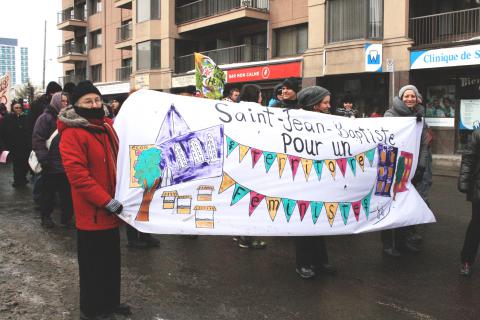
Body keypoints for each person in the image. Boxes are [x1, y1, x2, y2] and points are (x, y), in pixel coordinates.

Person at [58, 81, 131, 319]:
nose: (95, 104)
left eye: (97, 100)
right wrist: (106, 201)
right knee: (92, 267)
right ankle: (91, 310)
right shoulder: (72, 134)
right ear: (77, 106)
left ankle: (110, 303)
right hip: (93, 214)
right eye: (88, 101)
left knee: (111, 262)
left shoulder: (108, 127)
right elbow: (79, 177)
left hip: (112, 211)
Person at [293, 86, 337, 279]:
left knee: (319, 219)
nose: (329, 106)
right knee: (304, 221)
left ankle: (320, 261)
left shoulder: (328, 121)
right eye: (325, 102)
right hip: (302, 179)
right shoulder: (295, 121)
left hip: (321, 177)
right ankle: (303, 263)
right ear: (314, 104)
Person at [381, 85, 429, 257]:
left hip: (411, 167)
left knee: (404, 206)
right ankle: (387, 244)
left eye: (413, 96)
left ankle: (401, 242)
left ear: (417, 98)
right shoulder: (390, 115)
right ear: (401, 98)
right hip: (392, 166)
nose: (410, 99)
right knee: (389, 205)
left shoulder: (419, 116)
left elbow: (424, 144)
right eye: (406, 96)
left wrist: (421, 165)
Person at [32, 92, 73, 228]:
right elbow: (38, 140)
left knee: (67, 195)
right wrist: (44, 160)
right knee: (48, 194)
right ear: (55, 102)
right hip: (50, 164)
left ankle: (66, 219)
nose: (65, 104)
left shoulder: (69, 118)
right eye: (63, 101)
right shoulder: (45, 118)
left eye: (67, 101)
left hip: (66, 164)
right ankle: (46, 217)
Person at [458, 129, 480, 277]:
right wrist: (464, 181)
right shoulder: (478, 134)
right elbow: (468, 158)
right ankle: (467, 261)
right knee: (477, 224)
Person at [2, 100, 30, 187]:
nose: (18, 109)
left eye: (19, 108)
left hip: (24, 145)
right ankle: (18, 181)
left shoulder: (25, 118)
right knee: (17, 164)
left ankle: (23, 178)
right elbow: (5, 132)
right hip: (14, 145)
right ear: (13, 109)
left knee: (24, 163)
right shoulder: (8, 118)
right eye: (16, 108)